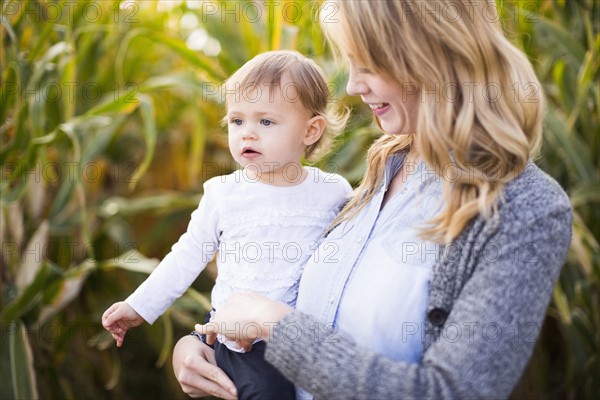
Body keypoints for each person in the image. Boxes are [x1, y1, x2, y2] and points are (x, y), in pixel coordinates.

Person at [176, 1, 573, 399]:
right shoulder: (384, 166)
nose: (352, 86)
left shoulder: (525, 209)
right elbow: (292, 293)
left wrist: (278, 328)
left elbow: (451, 391)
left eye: (366, 64)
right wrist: (207, 345)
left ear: (430, 54)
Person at [102, 50, 352, 400]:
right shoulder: (224, 194)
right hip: (238, 342)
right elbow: (187, 254)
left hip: (299, 335)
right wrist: (139, 306)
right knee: (266, 393)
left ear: (311, 130)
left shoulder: (333, 192)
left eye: (265, 122)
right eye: (237, 121)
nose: (247, 134)